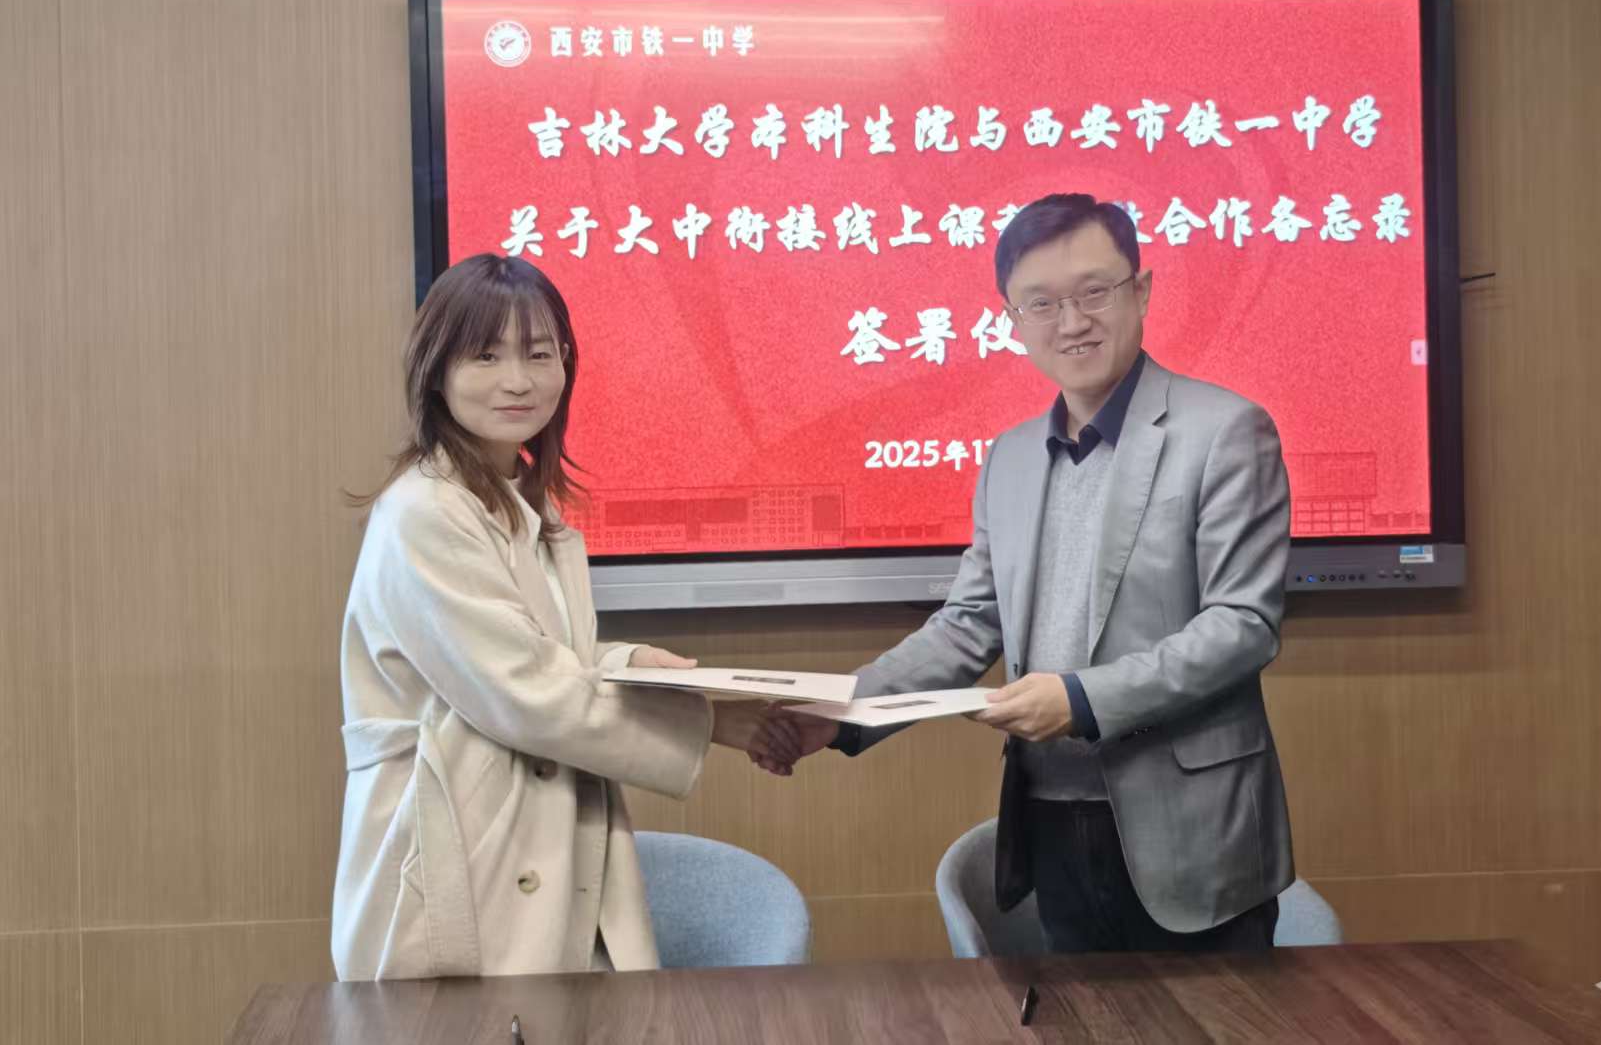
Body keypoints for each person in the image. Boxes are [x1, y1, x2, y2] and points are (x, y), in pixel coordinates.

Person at [775, 193, 1295, 954]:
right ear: (1012, 320)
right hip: (1051, 819)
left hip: (1193, 825)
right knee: (1076, 1016)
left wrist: (1081, 699)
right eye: (1041, 303)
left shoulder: (1225, 431)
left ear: (1142, 291)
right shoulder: (1010, 457)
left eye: (1095, 291)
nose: (1071, 321)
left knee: (1216, 1019)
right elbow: (967, 625)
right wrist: (843, 712)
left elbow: (1242, 626)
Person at [331, 254, 795, 980]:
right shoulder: (423, 511)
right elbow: (526, 690)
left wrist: (629, 662)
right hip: (468, 848)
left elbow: (537, 651)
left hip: (537, 835)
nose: (518, 379)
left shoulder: (521, 498)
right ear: (435, 370)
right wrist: (711, 721)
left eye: (540, 354)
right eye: (486, 355)